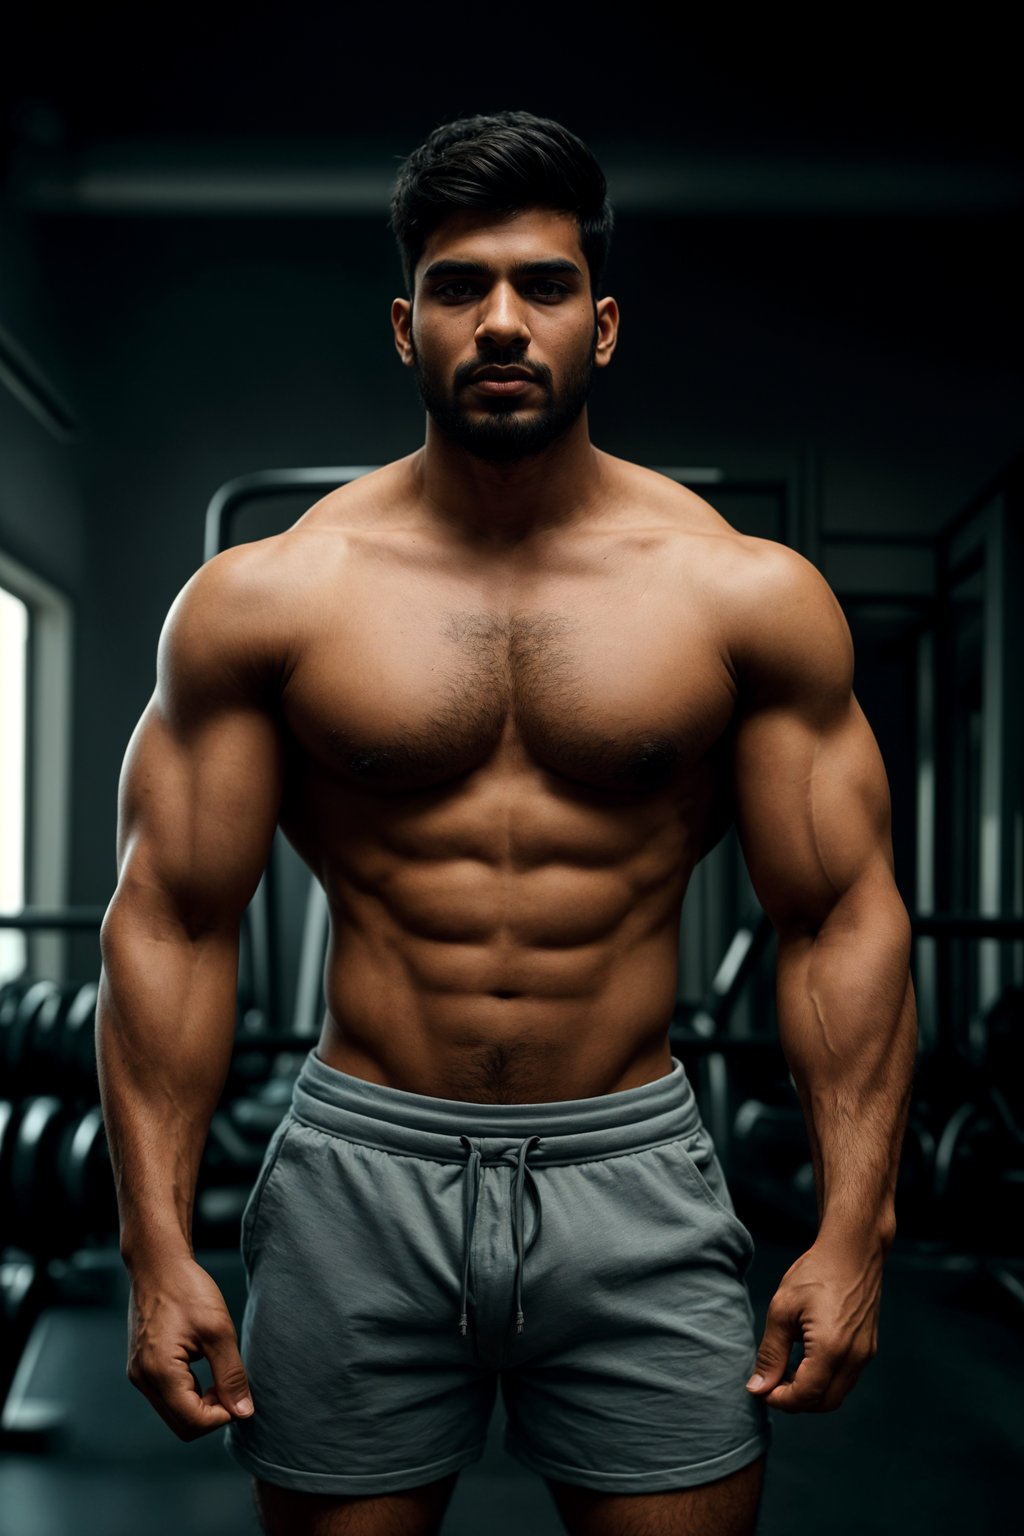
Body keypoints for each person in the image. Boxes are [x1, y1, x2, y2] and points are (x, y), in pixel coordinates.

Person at [96, 110, 918, 1536]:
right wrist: (152, 1245)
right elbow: (171, 920)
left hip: (635, 1176)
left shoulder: (742, 597)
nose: (498, 322)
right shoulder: (267, 600)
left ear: (602, 327)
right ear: (403, 322)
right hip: (361, 1173)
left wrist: (860, 1226)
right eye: (460, 287)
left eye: (540, 286)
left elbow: (837, 916)